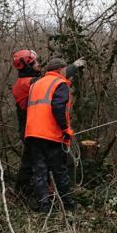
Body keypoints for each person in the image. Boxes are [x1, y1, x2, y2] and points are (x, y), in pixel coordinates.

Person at [11, 50, 85, 196]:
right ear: (27, 66)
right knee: (32, 164)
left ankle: (37, 192)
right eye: (35, 63)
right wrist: (73, 67)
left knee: (36, 163)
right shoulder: (27, 83)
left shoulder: (30, 80)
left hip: (34, 128)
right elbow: (51, 80)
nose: (38, 65)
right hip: (33, 128)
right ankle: (23, 193)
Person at [24, 57, 83, 213]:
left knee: (40, 172)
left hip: (32, 134)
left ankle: (44, 207)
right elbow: (58, 107)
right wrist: (65, 130)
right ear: (60, 70)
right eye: (65, 70)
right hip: (51, 135)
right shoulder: (60, 84)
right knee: (59, 171)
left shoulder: (35, 84)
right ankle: (69, 206)